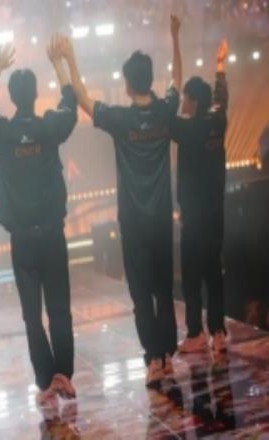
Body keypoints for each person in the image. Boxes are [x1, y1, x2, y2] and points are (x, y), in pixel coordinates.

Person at [59, 15, 183, 386]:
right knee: (164, 290)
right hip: (161, 219)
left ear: (127, 85)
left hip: (132, 221)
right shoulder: (164, 110)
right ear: (149, 80)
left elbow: (83, 98)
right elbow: (177, 80)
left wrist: (69, 58)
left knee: (141, 293)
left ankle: (154, 359)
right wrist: (175, 37)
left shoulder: (120, 118)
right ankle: (167, 355)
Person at [0, 36, 78, 407]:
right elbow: (70, 106)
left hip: (22, 240)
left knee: (32, 315)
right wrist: (59, 66)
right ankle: (63, 374)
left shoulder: (3, 133)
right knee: (59, 308)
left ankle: (46, 380)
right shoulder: (48, 127)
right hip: (52, 235)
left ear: (12, 97)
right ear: (35, 95)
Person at [173, 41, 229, 354]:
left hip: (194, 220)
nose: (181, 102)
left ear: (193, 102)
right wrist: (220, 66)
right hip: (216, 214)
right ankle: (218, 331)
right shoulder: (218, 121)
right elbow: (222, 97)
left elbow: (166, 113)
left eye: (184, 98)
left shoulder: (186, 130)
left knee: (192, 278)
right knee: (214, 274)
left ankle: (195, 333)